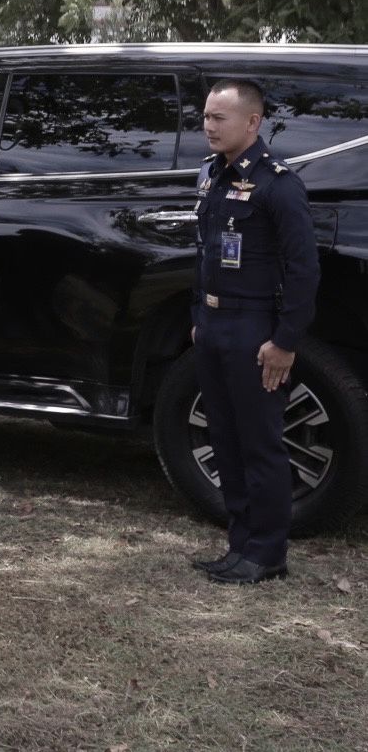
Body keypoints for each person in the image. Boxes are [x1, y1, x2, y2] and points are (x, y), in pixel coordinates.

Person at [189, 78, 319, 585]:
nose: (208, 125)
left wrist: (285, 342)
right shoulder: (211, 174)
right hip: (214, 325)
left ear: (252, 121)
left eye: (218, 117)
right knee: (225, 440)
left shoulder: (277, 183)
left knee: (260, 445)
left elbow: (304, 270)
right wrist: (198, 318)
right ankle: (240, 545)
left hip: (254, 329)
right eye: (206, 116)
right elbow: (203, 253)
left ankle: (267, 553)